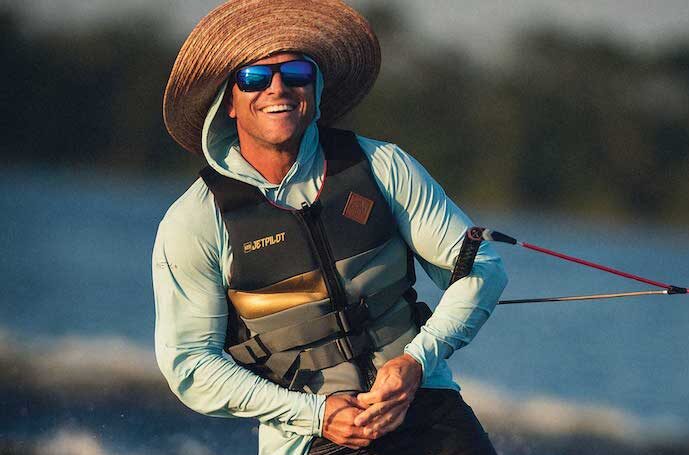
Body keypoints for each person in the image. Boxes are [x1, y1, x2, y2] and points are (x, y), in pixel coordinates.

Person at [153, 1, 507, 454]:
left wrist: (417, 361)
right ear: (230, 105)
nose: (277, 88)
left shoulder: (383, 166)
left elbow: (484, 269)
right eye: (255, 78)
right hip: (309, 437)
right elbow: (189, 364)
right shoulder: (195, 221)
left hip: (427, 406)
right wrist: (316, 414)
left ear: (315, 89)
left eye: (296, 73)